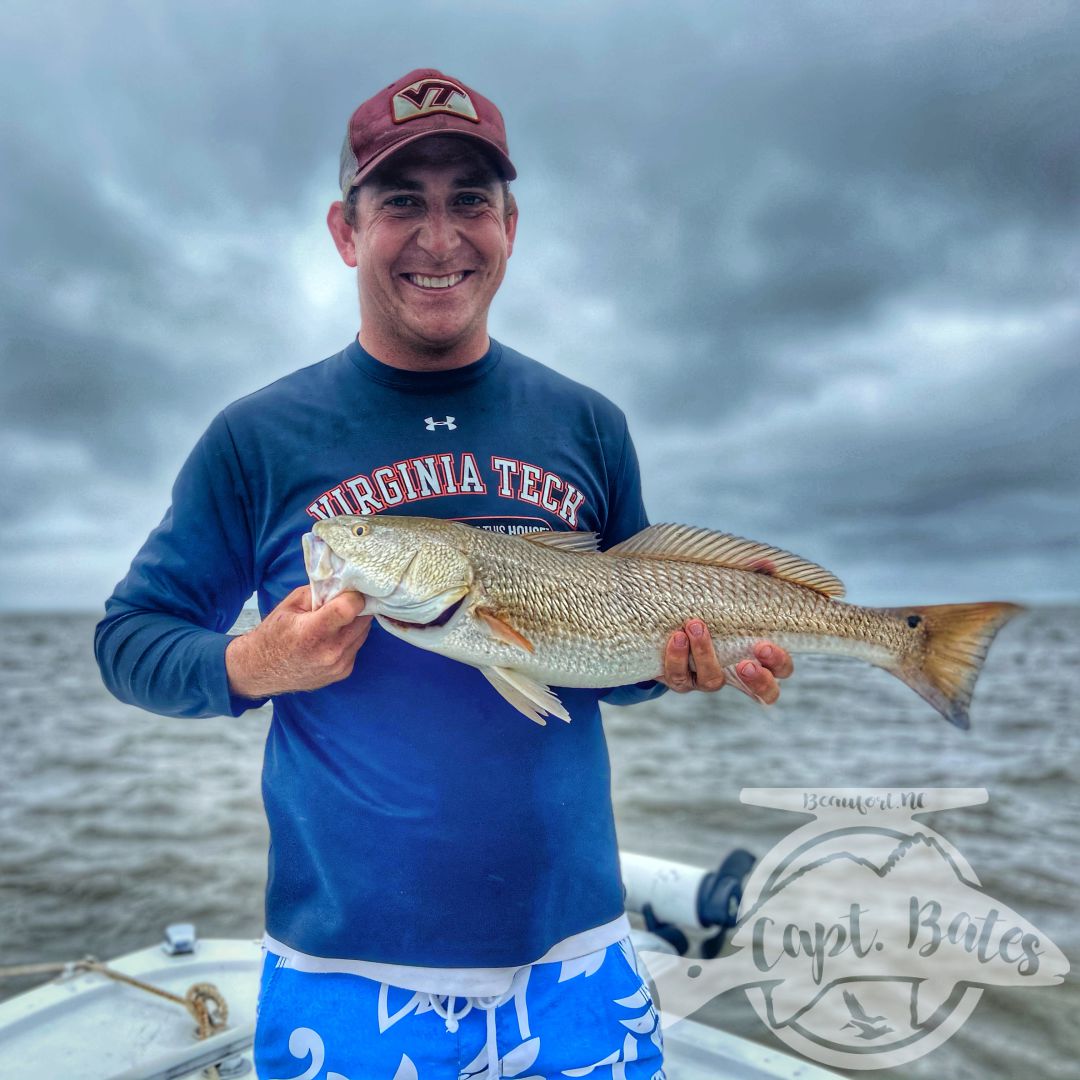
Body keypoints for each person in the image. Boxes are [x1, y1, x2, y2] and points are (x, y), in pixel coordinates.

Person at [95, 69, 792, 1080]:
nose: (439, 236)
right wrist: (252, 662)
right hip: (346, 965)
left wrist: (678, 665)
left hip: (580, 956)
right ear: (345, 230)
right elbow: (129, 639)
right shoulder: (255, 439)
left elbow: (614, 639)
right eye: (400, 202)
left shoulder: (589, 424)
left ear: (512, 225)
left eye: (470, 200)